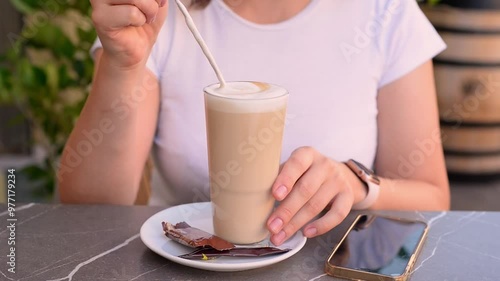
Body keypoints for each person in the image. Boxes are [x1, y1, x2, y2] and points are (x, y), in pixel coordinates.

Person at [59, 0, 450, 246]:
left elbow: (432, 200)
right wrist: (123, 66)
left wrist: (356, 184)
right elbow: (88, 206)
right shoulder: (160, 16)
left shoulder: (385, 13)